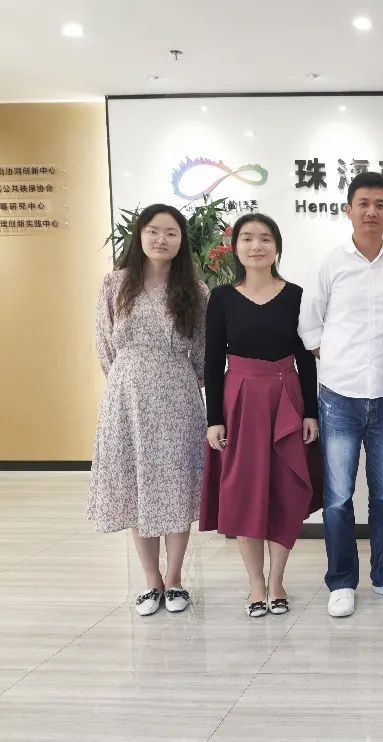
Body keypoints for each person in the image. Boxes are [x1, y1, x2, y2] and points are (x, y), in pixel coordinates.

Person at [298, 171, 383, 618]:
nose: (371, 212)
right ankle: (341, 582)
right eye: (363, 204)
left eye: (380, 204)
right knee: (337, 497)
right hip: (339, 397)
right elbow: (309, 325)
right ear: (348, 210)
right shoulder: (330, 264)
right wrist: (335, 360)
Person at [88, 203, 208, 616]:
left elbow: (202, 353)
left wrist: (174, 379)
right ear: (139, 235)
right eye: (153, 231)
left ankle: (174, 580)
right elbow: (104, 346)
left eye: (171, 233)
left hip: (178, 399)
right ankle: (150, 581)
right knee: (137, 485)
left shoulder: (196, 291)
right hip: (126, 399)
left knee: (175, 485)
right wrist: (129, 379)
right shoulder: (114, 284)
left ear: (182, 241)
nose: (161, 239)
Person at [199, 213, 321, 618]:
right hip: (239, 402)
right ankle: (255, 584)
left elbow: (306, 358)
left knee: (285, 490)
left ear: (277, 247)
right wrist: (213, 419)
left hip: (287, 399)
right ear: (235, 248)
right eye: (248, 238)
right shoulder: (221, 297)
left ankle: (277, 581)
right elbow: (213, 360)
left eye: (265, 238)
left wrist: (311, 413)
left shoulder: (296, 295)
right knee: (244, 492)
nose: (256, 246)